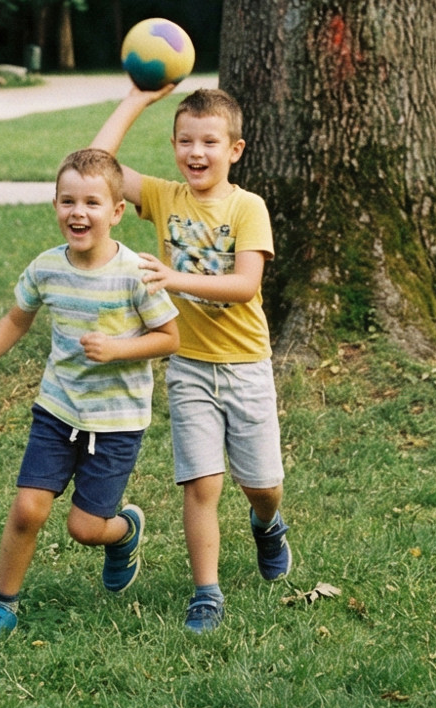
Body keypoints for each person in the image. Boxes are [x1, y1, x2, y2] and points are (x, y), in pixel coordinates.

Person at [0, 149, 181, 643]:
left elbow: (169, 338)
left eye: (92, 203)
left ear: (116, 211)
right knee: (28, 509)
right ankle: (3, 605)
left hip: (116, 422)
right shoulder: (46, 268)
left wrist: (119, 349)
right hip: (57, 410)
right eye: (68, 201)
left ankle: (124, 531)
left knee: (85, 528)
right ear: (55, 204)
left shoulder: (136, 273)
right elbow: (17, 318)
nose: (78, 212)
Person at [91, 87, 294, 633]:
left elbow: (245, 284)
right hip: (189, 366)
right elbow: (97, 167)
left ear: (235, 149)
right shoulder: (164, 197)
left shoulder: (247, 207)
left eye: (209, 142)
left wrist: (172, 277)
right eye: (185, 141)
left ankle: (268, 524)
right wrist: (136, 99)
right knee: (201, 484)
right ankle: (207, 593)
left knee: (262, 485)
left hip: (246, 365)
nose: (196, 152)